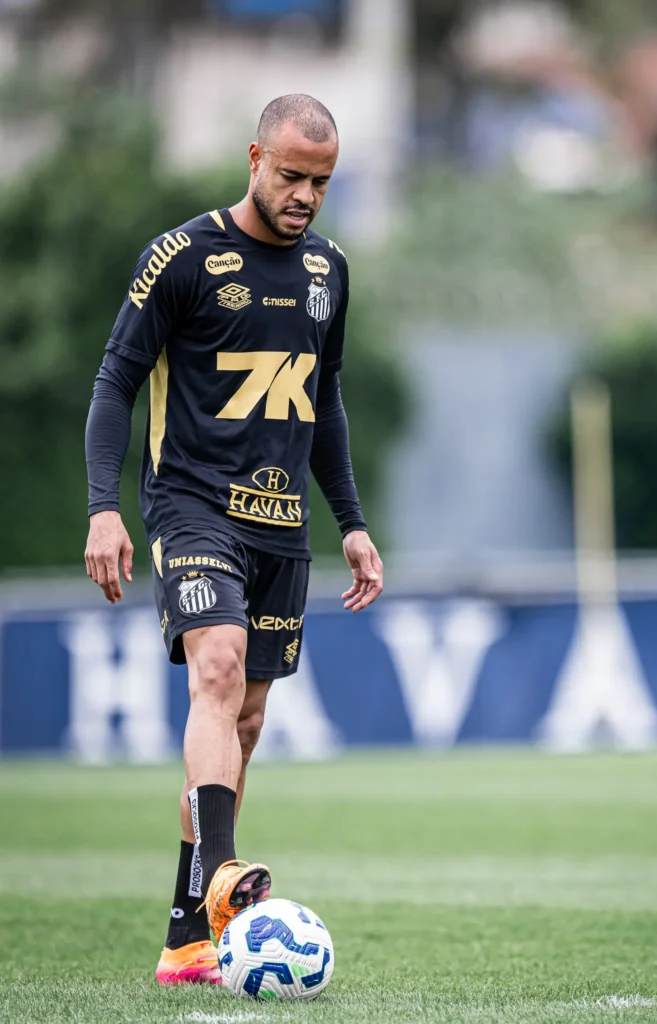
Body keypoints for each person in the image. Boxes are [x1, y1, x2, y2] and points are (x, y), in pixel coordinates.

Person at [84, 94, 383, 985]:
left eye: (320, 182)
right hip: (192, 507)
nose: (304, 196)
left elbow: (323, 401)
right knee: (214, 669)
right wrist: (104, 507)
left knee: (244, 723)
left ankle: (187, 938)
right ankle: (221, 871)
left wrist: (353, 523)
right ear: (255, 159)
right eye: (290, 176)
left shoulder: (329, 269)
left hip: (282, 529)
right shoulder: (182, 257)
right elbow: (115, 382)